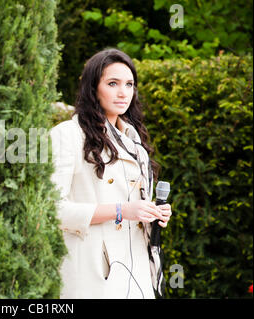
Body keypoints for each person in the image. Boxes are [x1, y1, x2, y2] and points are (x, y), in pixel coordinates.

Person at [50, 48, 172, 299]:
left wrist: (152, 212)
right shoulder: (67, 134)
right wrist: (120, 210)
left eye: (129, 84)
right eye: (112, 83)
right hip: (93, 274)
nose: (123, 92)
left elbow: (134, 208)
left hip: (137, 271)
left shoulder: (134, 140)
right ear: (93, 87)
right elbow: (51, 209)